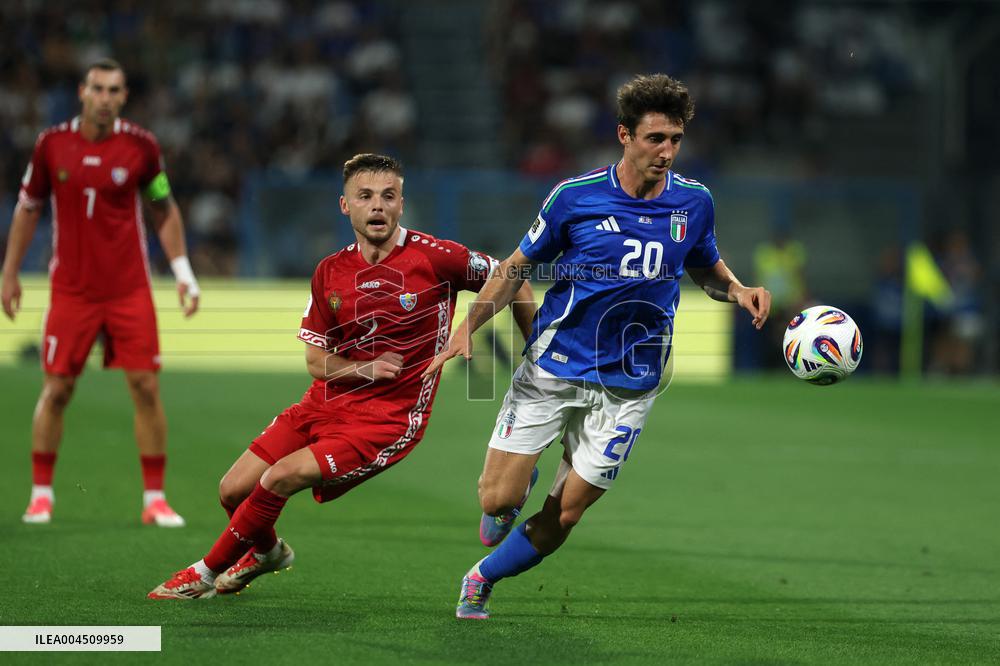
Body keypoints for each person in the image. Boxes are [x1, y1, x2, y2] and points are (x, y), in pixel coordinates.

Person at [423, 73, 772, 620]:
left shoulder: (695, 202)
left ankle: (479, 579)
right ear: (624, 135)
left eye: (675, 140)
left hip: (630, 386)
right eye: (655, 138)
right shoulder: (574, 198)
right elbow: (517, 267)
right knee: (495, 506)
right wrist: (471, 324)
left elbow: (703, 266)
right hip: (555, 368)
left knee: (566, 515)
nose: (667, 151)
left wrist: (737, 288)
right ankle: (516, 484)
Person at [148, 153, 536, 599]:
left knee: (278, 477)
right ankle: (268, 553)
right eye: (365, 196)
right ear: (344, 206)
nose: (378, 206)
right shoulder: (330, 272)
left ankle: (203, 573)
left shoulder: (436, 258)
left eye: (388, 196)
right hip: (323, 403)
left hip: (388, 419)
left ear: (401, 204)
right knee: (233, 491)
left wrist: (534, 354)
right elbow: (315, 361)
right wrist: (362, 368)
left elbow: (515, 274)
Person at [1, 58, 200, 527]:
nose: (106, 98)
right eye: (98, 89)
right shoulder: (52, 145)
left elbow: (164, 208)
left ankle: (154, 499)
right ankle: (41, 494)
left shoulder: (141, 147)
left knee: (146, 387)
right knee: (58, 388)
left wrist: (183, 271)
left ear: (124, 97)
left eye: (115, 90)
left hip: (129, 289)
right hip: (72, 291)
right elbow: (28, 209)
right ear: (82, 92)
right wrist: (8, 273)